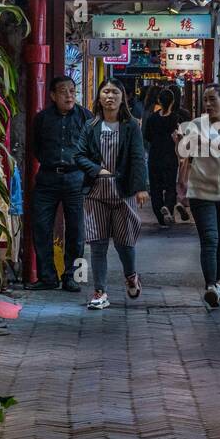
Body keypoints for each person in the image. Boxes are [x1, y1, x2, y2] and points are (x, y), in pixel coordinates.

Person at [75, 79, 149, 309]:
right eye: (105, 91)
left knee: (124, 242)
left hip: (123, 192)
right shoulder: (91, 126)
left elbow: (138, 157)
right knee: (97, 244)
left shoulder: (131, 126)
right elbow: (79, 155)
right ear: (99, 97)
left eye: (115, 92)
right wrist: (97, 170)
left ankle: (131, 275)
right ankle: (100, 292)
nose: (110, 96)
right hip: (95, 192)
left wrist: (141, 187)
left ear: (122, 97)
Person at [176, 84, 220, 309]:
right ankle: (211, 285)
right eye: (205, 100)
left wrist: (208, 142)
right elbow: (185, 153)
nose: (208, 104)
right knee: (210, 239)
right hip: (200, 192)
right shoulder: (196, 125)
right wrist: (180, 142)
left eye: (213, 99)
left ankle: (216, 282)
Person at [27, 76, 92, 292]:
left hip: (75, 178)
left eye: (72, 91)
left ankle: (71, 276)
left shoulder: (85, 117)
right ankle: (47, 277)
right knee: (41, 226)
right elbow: (36, 147)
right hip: (47, 178)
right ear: (53, 96)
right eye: (63, 91)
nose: (69, 95)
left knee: (76, 229)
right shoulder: (42, 119)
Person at [142, 88, 187, 226]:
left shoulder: (152, 118)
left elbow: (147, 136)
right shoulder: (176, 118)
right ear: (172, 102)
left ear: (159, 101)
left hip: (155, 156)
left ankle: (161, 218)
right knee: (170, 186)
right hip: (170, 157)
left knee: (155, 189)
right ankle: (168, 206)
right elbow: (181, 137)